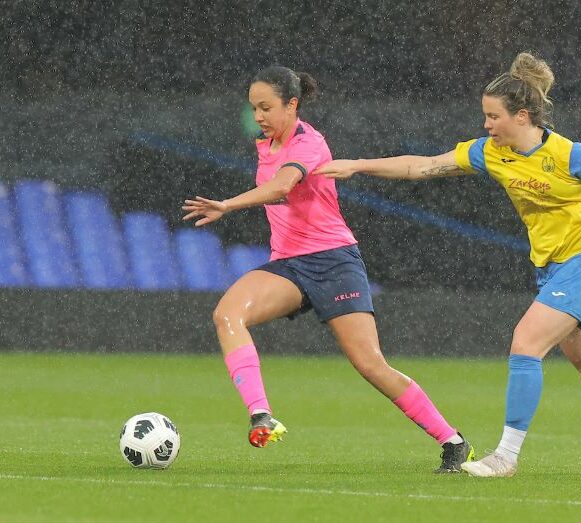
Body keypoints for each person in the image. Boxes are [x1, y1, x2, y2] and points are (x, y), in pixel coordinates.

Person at [315, 52, 581, 478]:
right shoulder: (489, 153)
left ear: (521, 116)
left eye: (493, 116)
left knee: (525, 342)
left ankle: (505, 457)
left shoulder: (568, 154)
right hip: (552, 269)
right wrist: (357, 165)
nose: (486, 125)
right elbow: (421, 166)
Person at [181, 66, 474, 473]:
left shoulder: (309, 142)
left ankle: (453, 441)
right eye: (254, 108)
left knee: (370, 364)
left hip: (334, 261)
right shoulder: (265, 144)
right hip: (287, 265)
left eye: (266, 107)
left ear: (292, 104)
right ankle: (261, 415)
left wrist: (227, 205)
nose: (259, 116)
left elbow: (283, 187)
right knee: (227, 314)